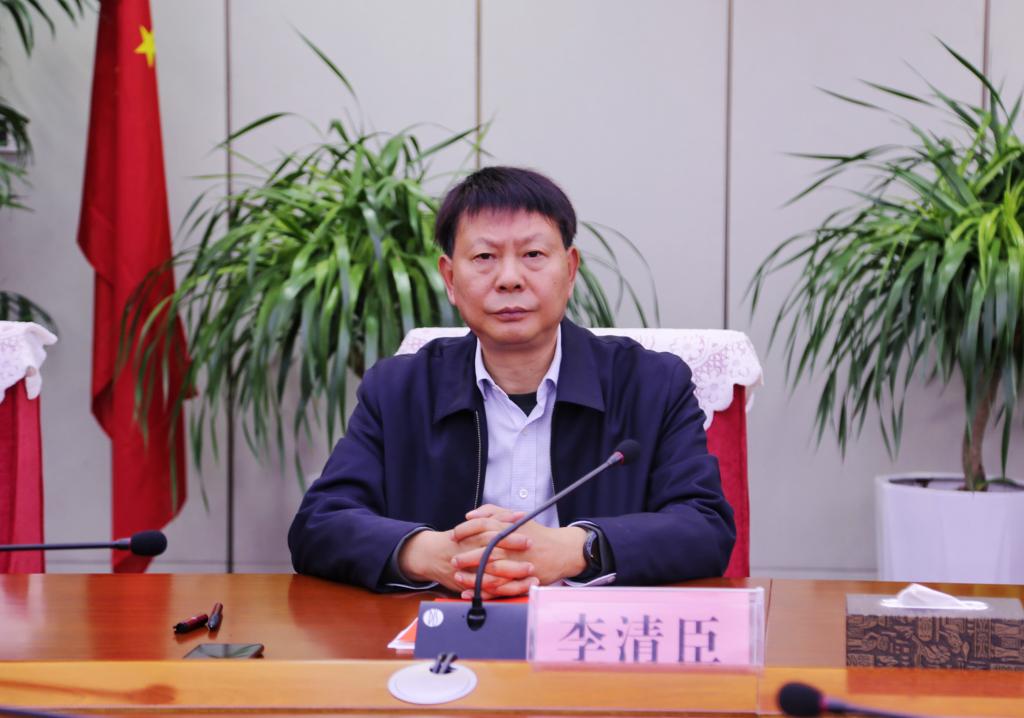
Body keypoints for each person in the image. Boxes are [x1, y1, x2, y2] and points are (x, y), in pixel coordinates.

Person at [288, 166, 735, 597]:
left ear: (570, 270)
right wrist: (432, 554)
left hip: (593, 635)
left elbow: (705, 527)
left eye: (533, 255)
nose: (509, 279)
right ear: (450, 278)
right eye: (484, 257)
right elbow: (318, 524)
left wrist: (575, 549)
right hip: (445, 630)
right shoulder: (397, 390)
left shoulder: (653, 385)